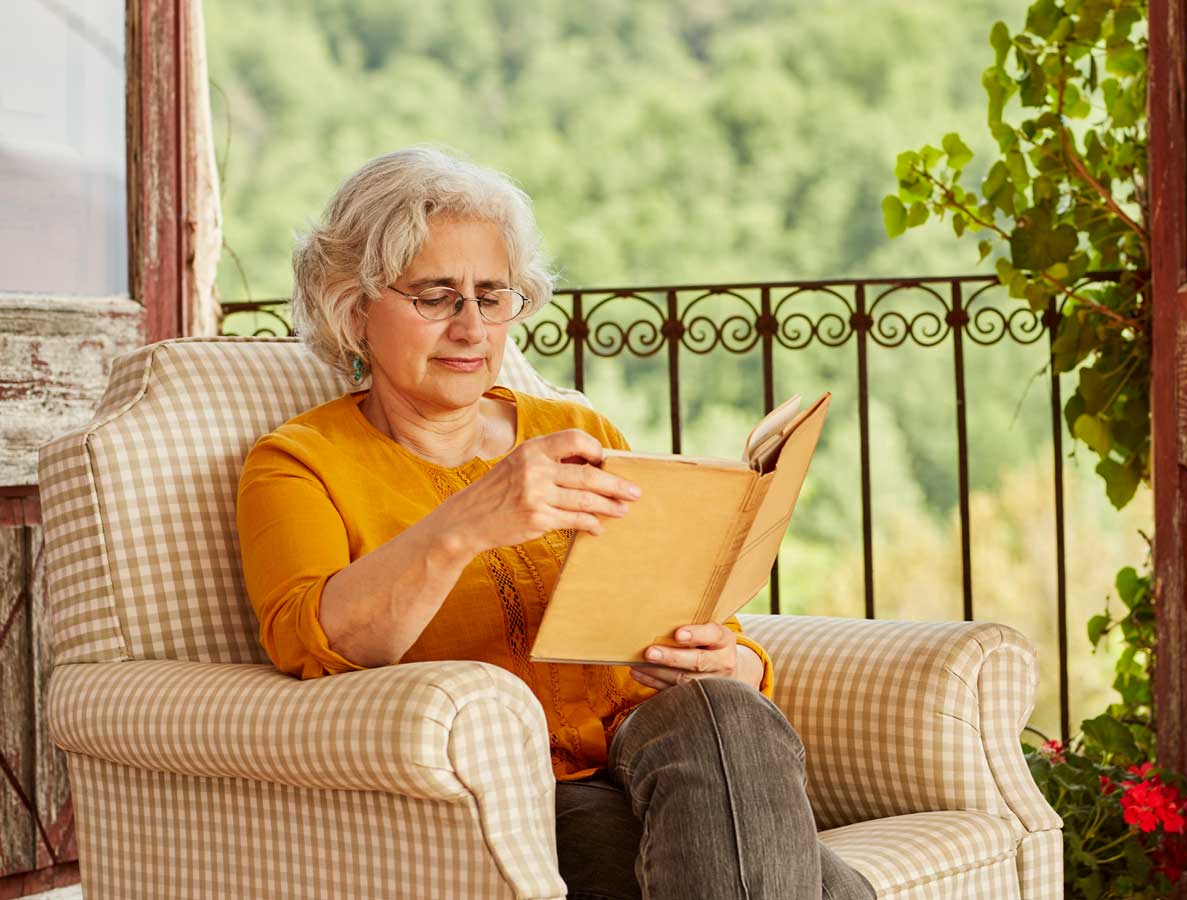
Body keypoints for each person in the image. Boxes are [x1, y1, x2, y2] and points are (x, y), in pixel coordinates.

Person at [236, 146, 875, 900]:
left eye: (492, 294)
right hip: (521, 798)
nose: (471, 327)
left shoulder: (575, 426)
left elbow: (677, 605)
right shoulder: (299, 462)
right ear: (353, 308)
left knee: (725, 705)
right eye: (436, 295)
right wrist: (468, 522)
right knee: (828, 889)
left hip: (665, 749)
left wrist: (718, 660)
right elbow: (317, 643)